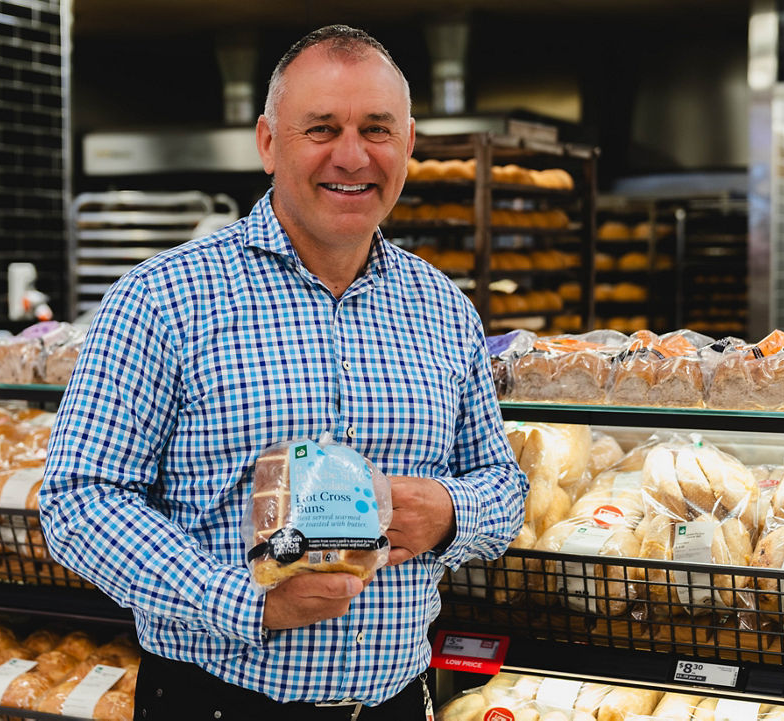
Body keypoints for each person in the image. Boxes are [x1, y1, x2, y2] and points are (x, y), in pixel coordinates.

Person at [40, 24, 528, 721]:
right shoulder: (162, 299)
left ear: (410, 145)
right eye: (322, 128)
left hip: (395, 704)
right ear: (269, 143)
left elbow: (503, 485)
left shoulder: (443, 306)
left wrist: (451, 514)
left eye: (378, 129)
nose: (353, 155)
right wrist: (252, 601)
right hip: (216, 703)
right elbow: (79, 502)